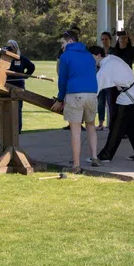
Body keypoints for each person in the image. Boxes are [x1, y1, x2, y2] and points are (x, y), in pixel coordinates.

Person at [51, 30, 101, 172]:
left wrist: (60, 99)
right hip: (92, 94)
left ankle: (76, 165)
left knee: (75, 129)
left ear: (70, 41)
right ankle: (94, 157)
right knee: (91, 125)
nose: (62, 46)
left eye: (63, 43)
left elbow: (62, 80)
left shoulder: (66, 56)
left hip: (75, 95)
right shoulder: (89, 56)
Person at [89, 46, 134, 163]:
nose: (90, 61)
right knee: (131, 126)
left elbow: (95, 88)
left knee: (117, 126)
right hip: (132, 92)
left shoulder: (106, 67)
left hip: (129, 95)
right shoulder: (110, 58)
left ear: (98, 55)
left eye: (91, 58)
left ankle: (106, 155)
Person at [4, 39, 35, 134]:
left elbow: (31, 67)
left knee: (17, 108)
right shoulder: (5, 58)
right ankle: (6, 129)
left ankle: (17, 129)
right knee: (5, 107)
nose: (10, 48)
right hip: (6, 85)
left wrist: (25, 76)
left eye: (12, 46)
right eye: (8, 46)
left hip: (18, 85)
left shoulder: (20, 58)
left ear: (16, 47)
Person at [96, 31, 117, 131]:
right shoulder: (99, 51)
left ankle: (113, 123)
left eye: (106, 39)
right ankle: (101, 123)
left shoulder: (114, 51)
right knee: (100, 102)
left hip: (110, 81)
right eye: (102, 39)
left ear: (110, 40)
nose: (104, 41)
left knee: (111, 102)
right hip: (101, 79)